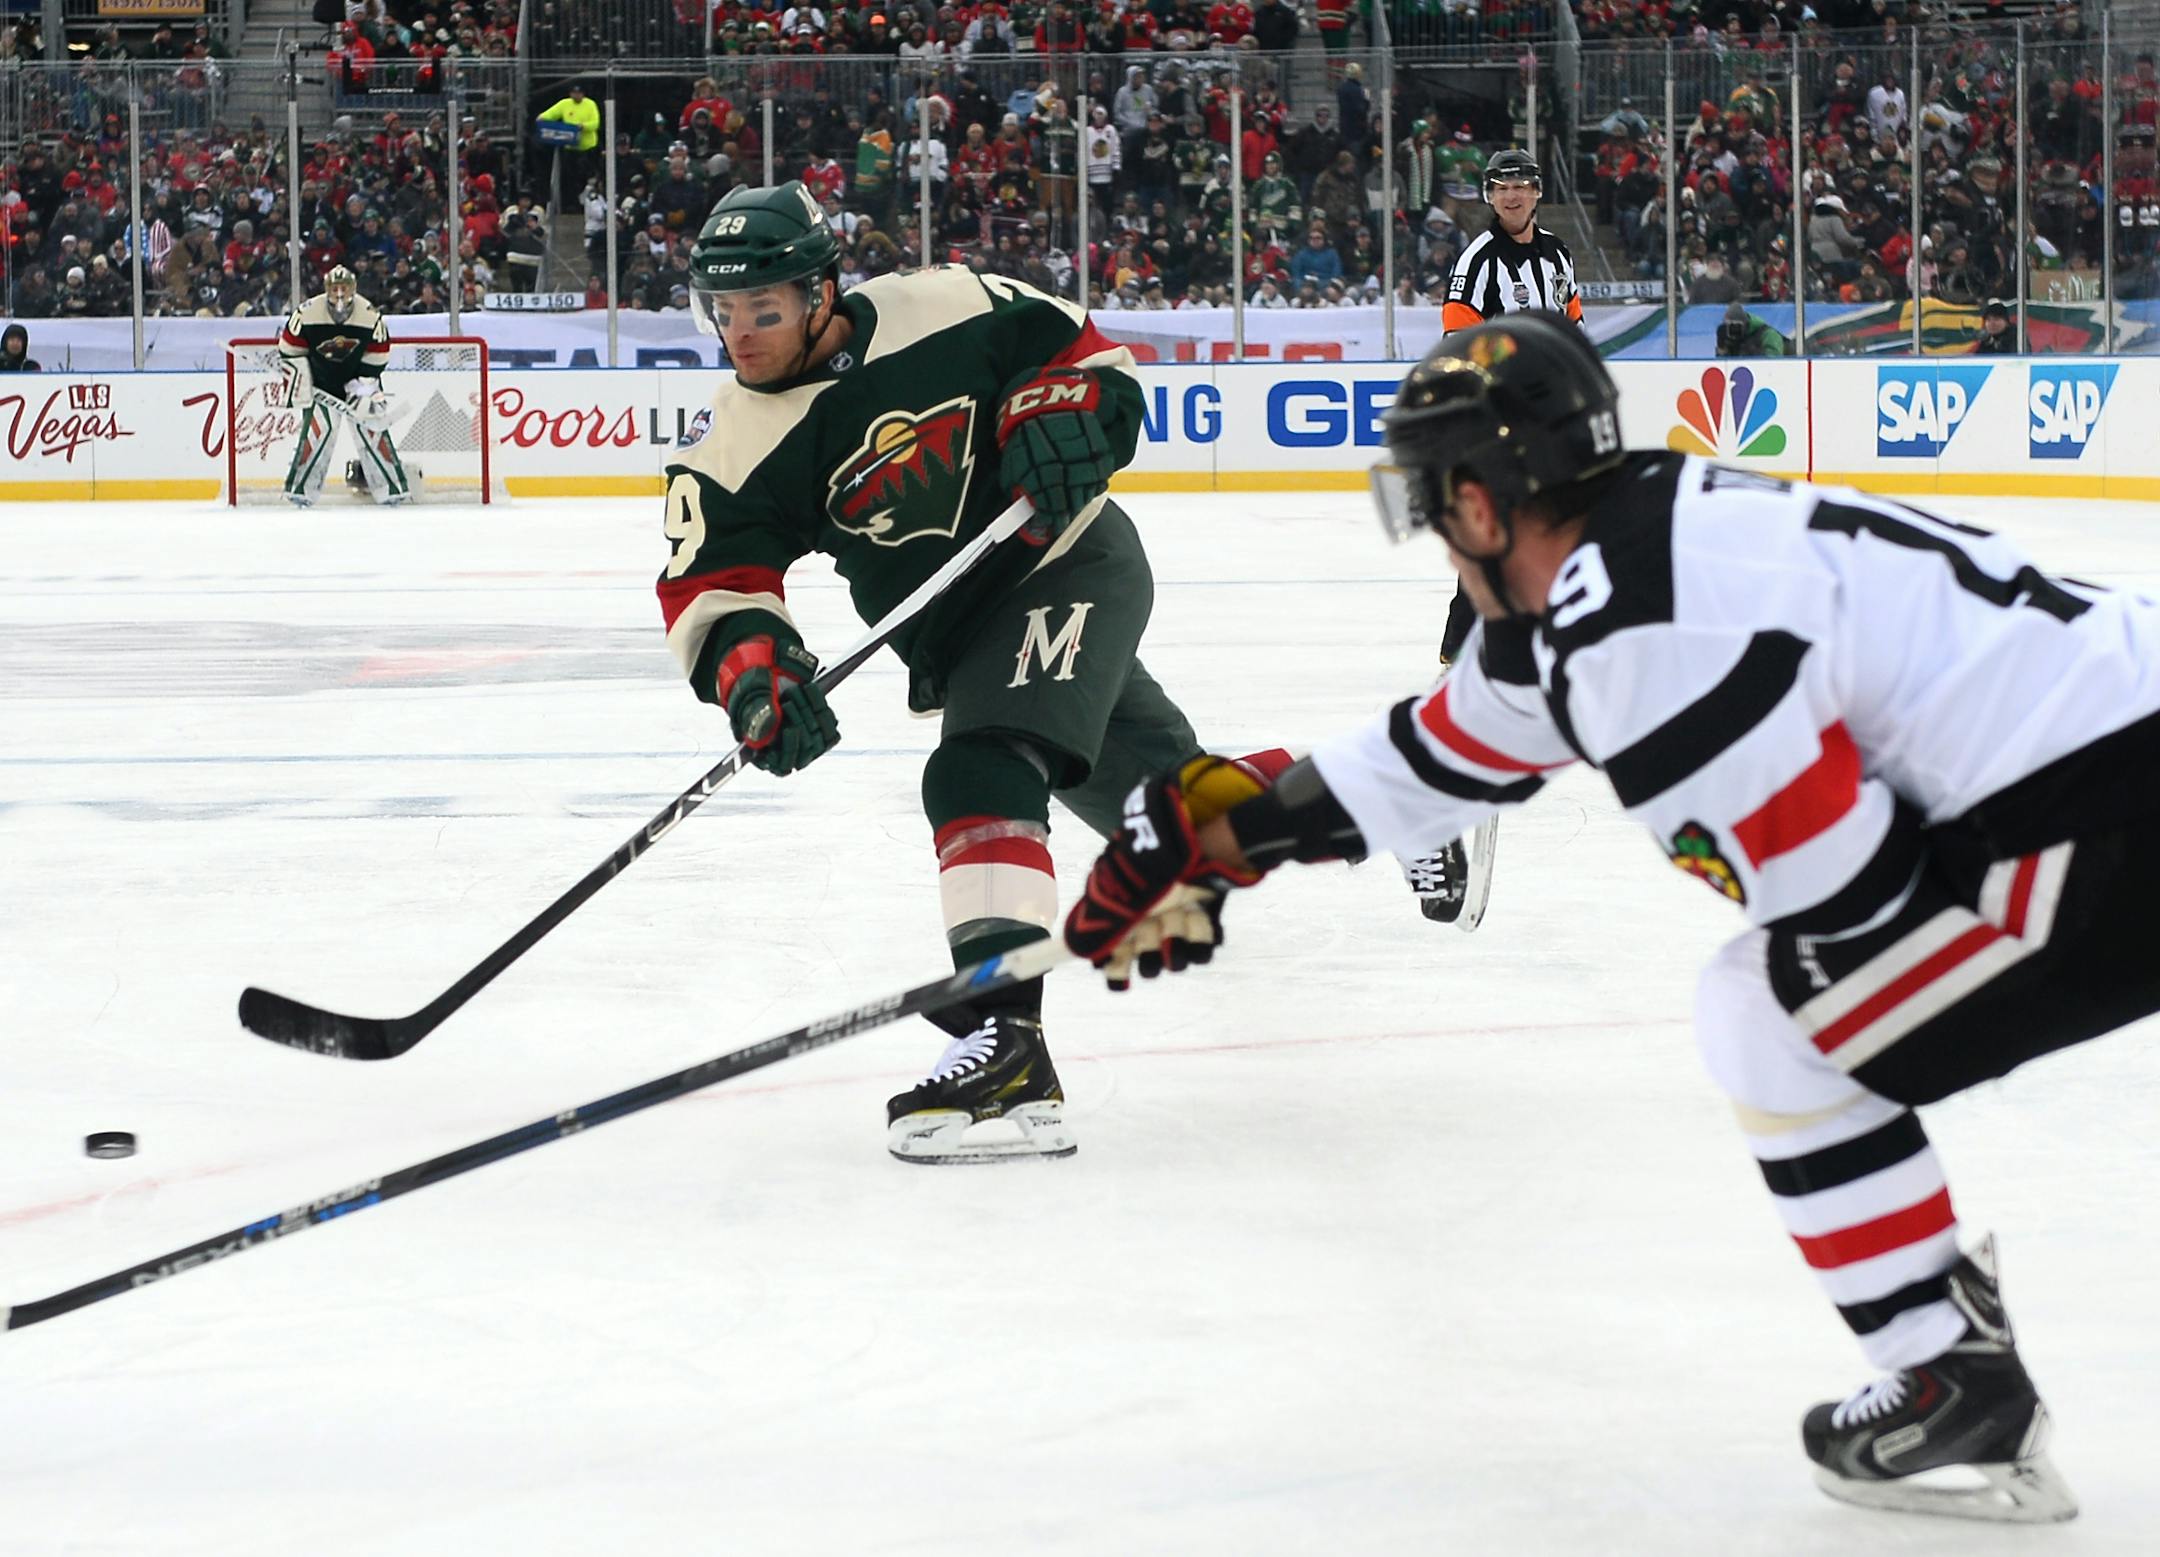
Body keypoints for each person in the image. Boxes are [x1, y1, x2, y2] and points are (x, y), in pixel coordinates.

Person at [1063, 309, 2157, 1525]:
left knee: (1775, 1015)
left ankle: (1950, 1377)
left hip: (2110, 816)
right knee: (1779, 998)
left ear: (1478, 506)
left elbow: (1842, 901)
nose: (1434, 537)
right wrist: (1216, 834)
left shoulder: (1645, 638)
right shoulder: (1635, 542)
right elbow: (1448, 745)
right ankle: (1948, 1362)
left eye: (1430, 503)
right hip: (2108, 766)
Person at [663, 182, 1284, 1164]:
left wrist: (1068, 412)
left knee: (978, 769)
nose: (740, 334)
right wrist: (755, 675)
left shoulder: (943, 305)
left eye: (764, 310)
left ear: (821, 293)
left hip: (1066, 560)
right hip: (959, 638)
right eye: (723, 310)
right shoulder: (733, 444)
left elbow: (1081, 355)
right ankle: (1403, 792)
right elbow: (717, 583)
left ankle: (1006, 1041)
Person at [1408, 147, 1585, 928]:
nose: (1512, 194)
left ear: (1537, 193)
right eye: (1500, 186)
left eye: (1522, 184)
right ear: (1488, 195)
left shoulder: (1557, 254)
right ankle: (1462, 668)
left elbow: (1572, 334)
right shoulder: (1478, 259)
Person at [276, 264, 409, 506]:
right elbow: (289, 348)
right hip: (321, 384)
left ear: (353, 289)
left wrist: (364, 384)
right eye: (334, 287)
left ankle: (392, 490)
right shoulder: (307, 312)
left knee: (371, 429)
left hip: (359, 382)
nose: (339, 293)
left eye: (344, 288)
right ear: (326, 288)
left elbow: (379, 353)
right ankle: (300, 491)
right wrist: (302, 376)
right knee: (319, 431)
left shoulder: (369, 314)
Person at [1716, 300, 1790, 357]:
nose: (1734, 329)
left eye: (1737, 326)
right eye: (1730, 326)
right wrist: (1721, 346)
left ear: (1745, 323)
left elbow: (1774, 363)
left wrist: (1751, 350)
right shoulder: (1731, 339)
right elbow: (1726, 367)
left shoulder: (1769, 334)